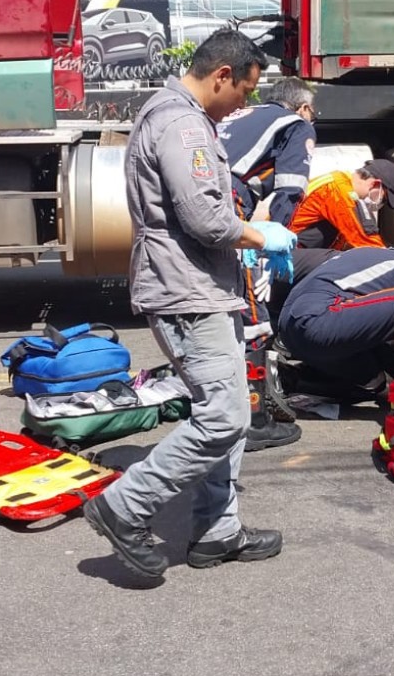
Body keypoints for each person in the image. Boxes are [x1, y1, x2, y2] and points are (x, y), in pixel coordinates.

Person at [82, 29, 299, 579]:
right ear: (222, 75)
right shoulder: (182, 123)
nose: (243, 105)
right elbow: (205, 218)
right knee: (225, 417)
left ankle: (216, 532)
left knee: (220, 413)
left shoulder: (174, 115)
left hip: (199, 286)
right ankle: (125, 506)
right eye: (245, 92)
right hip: (186, 292)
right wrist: (260, 234)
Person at [217, 76, 318, 349]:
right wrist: (272, 239)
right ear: (305, 109)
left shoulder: (242, 115)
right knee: (246, 280)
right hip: (228, 194)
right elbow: (291, 189)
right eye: (314, 114)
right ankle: (256, 355)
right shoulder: (296, 125)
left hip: (199, 190)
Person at [276, 246, 394, 402]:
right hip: (318, 317)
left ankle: (291, 378)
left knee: (373, 382)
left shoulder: (388, 258)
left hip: (291, 327)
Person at [286, 160, 394, 250]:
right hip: (290, 254)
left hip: (292, 247)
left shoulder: (337, 180)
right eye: (382, 198)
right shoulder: (340, 193)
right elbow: (367, 242)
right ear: (374, 184)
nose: (381, 202)